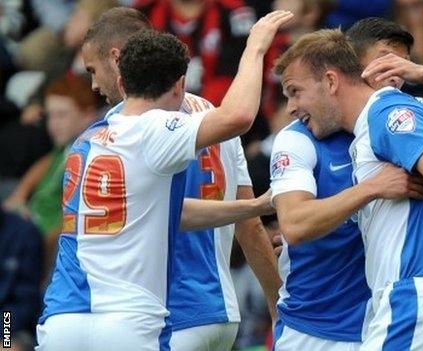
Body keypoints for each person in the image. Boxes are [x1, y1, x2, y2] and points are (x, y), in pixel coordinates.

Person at [37, 11, 292, 351]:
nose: (94, 85)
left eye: (92, 70)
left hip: (76, 315)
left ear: (118, 63)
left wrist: (4, 325)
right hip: (187, 311)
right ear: (178, 82)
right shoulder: (202, 117)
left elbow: (166, 210)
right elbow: (246, 226)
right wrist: (280, 310)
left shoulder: (92, 138)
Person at [269, 17, 423, 351]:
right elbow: (294, 223)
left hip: (416, 300)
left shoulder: (389, 111)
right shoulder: (383, 118)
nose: (291, 108)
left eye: (296, 92)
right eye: (385, 58)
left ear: (332, 79)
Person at [3, 75, 99, 273]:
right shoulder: (64, 146)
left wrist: (42, 254)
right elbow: (46, 162)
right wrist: (20, 194)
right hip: (27, 218)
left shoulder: (87, 154)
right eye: (50, 116)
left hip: (40, 239)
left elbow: (70, 221)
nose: (53, 123)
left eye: (62, 115)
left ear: (88, 115)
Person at [0, 208, 42, 351]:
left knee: (7, 347)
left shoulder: (24, 233)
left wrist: (4, 333)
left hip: (9, 329)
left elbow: (25, 302)